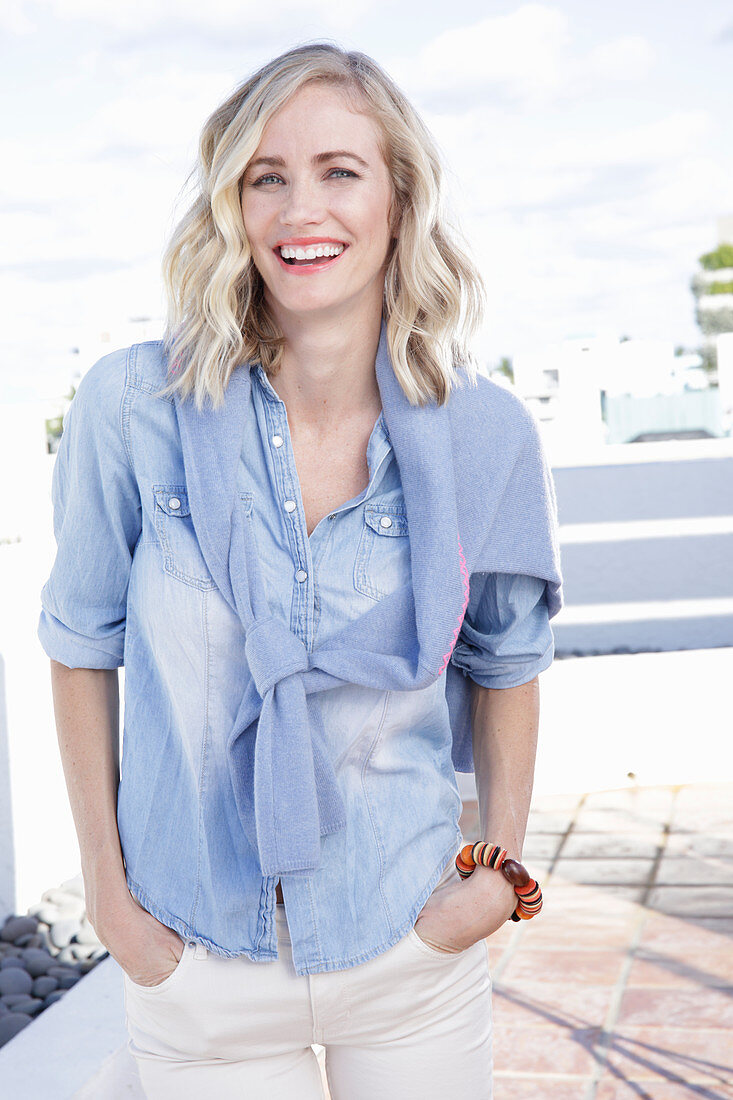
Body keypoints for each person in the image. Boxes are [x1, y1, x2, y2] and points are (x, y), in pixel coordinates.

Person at [38, 43, 563, 1100]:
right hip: (196, 953)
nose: (297, 208)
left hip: (407, 937)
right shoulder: (130, 409)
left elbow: (508, 661)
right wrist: (111, 897)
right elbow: (80, 645)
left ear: (399, 198)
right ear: (232, 203)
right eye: (264, 176)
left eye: (338, 170)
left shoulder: (484, 432)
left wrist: (497, 874)